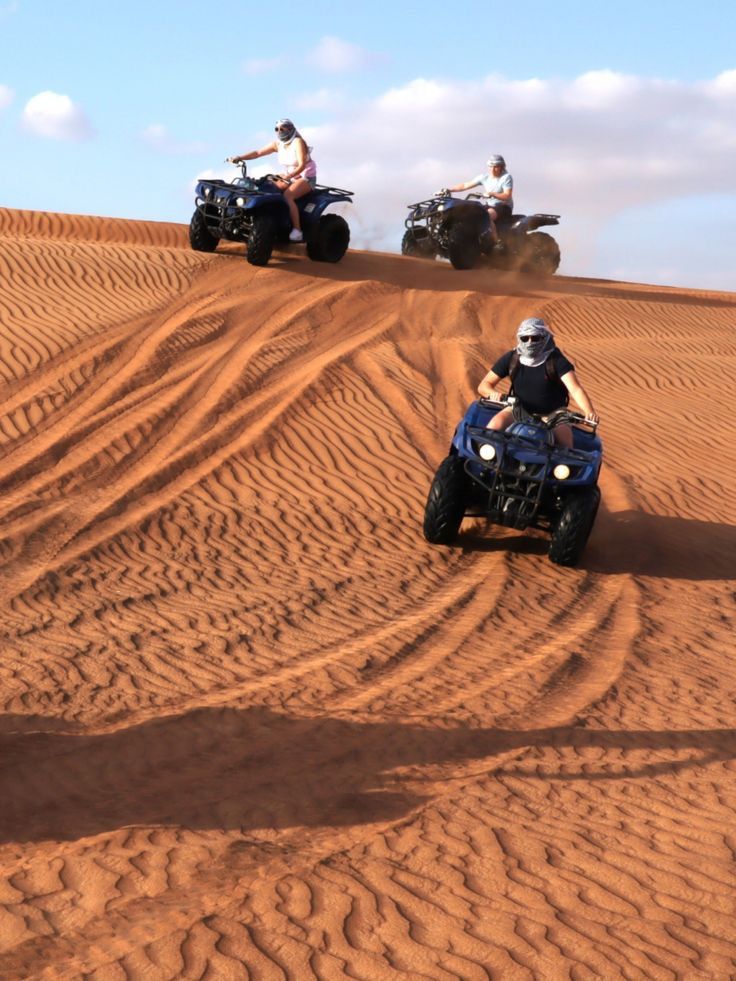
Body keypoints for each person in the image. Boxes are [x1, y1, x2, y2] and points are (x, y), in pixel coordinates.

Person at [477, 317, 599, 448]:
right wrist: (493, 393)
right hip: (519, 408)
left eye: (535, 338)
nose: (530, 342)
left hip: (553, 414)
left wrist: (589, 411)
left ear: (544, 337)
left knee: (565, 442)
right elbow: (484, 385)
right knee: (494, 426)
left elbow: (575, 389)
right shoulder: (512, 358)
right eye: (525, 338)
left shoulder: (556, 360)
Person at [228, 119, 317, 242]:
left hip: (305, 177)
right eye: (277, 129)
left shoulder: (298, 142)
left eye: (283, 128)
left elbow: (302, 165)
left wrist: (289, 176)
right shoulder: (278, 144)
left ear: (290, 129)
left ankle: (297, 231)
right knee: (266, 186)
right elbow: (258, 153)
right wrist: (239, 157)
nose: (280, 131)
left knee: (288, 196)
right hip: (289, 175)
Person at [443, 154, 513, 251]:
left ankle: (497, 243)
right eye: (491, 166)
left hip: (503, 206)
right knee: (471, 214)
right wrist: (449, 190)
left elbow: (507, 195)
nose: (493, 170)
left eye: (496, 167)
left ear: (502, 166)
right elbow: (465, 185)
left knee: (486, 216)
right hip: (489, 205)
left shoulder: (506, 177)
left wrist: (492, 194)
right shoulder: (485, 177)